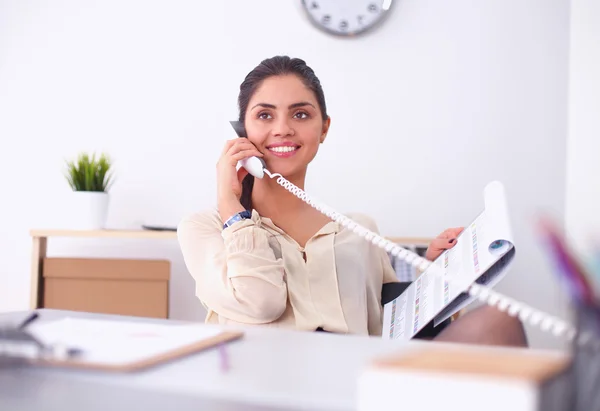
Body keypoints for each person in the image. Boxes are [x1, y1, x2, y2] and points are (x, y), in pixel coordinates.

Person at [177, 55, 527, 347]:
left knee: (501, 321)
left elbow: (394, 326)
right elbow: (259, 303)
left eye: (300, 114)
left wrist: (437, 276)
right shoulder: (205, 228)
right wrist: (230, 204)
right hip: (266, 390)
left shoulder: (359, 228)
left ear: (323, 128)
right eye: (265, 115)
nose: (282, 128)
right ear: (242, 132)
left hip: (359, 386)